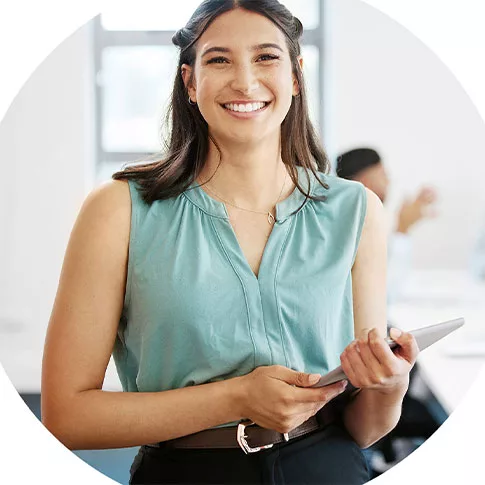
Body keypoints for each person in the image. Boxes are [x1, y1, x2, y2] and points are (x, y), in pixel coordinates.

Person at [41, 2, 419, 484]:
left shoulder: (357, 210)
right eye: (219, 60)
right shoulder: (118, 209)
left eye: (266, 57)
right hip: (185, 472)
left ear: (297, 75)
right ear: (190, 83)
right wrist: (237, 397)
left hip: (327, 466)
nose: (245, 82)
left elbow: (363, 428)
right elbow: (64, 418)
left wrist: (390, 386)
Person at [336, 148, 437, 303]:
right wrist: (402, 228)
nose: (388, 182)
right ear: (365, 181)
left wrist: (403, 226)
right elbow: (382, 295)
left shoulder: (360, 223)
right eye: (383, 175)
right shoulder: (349, 229)